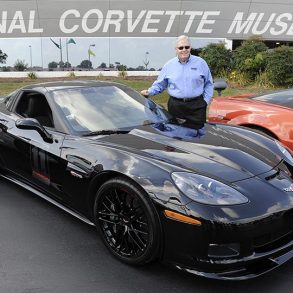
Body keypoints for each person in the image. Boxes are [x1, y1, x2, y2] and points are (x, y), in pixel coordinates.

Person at [141, 35, 213, 128]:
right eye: (181, 47)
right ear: (176, 49)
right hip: (176, 106)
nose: (184, 50)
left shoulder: (201, 63)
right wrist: (149, 92)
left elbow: (209, 83)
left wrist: (205, 101)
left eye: (187, 47)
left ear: (190, 48)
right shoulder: (169, 65)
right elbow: (161, 84)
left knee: (198, 134)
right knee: (175, 135)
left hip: (197, 106)